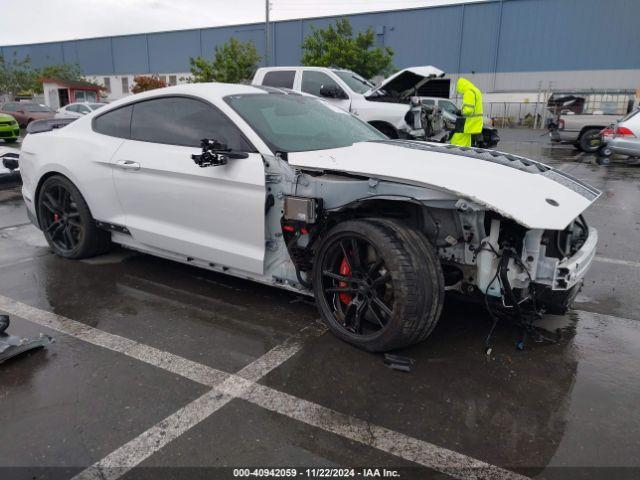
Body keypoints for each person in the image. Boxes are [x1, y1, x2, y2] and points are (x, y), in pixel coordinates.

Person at [450, 77, 483, 147]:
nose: (460, 92)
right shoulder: (476, 90)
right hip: (475, 122)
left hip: (469, 122)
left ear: (461, 87)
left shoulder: (468, 92)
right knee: (466, 141)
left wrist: (460, 112)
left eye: (459, 90)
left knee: (458, 140)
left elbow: (468, 110)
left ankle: (455, 155)